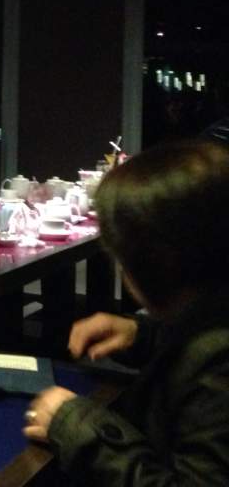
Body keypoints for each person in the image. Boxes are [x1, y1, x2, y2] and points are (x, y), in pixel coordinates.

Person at [22, 139, 229, 485]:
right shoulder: (211, 325)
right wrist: (144, 337)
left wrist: (77, 425)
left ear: (149, 264)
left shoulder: (218, 364)